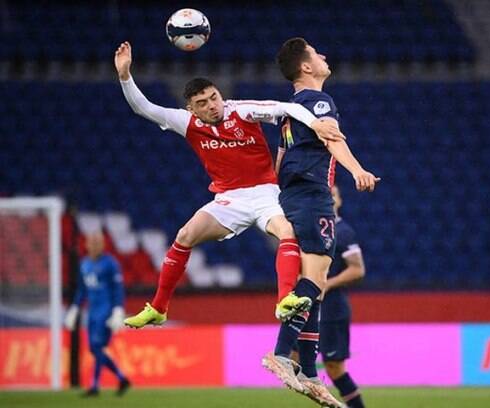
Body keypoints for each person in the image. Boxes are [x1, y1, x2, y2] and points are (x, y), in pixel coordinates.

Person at [111, 42, 344, 328]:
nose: (212, 105)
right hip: (228, 199)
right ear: (191, 109)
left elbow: (287, 108)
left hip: (265, 193)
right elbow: (143, 108)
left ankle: (285, 299)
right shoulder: (186, 123)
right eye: (203, 103)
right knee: (185, 234)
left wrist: (317, 124)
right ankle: (159, 308)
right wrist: (125, 75)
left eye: (214, 97)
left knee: (286, 231)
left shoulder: (241, 111)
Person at [262, 37, 379, 408]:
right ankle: (282, 353)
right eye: (317, 53)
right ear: (306, 67)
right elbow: (332, 139)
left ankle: (309, 372)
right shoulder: (319, 101)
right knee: (316, 280)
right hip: (314, 196)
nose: (324, 55)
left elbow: (279, 160)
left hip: (291, 197)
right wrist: (358, 170)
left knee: (310, 281)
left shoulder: (288, 111)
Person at [64, 232, 130, 397]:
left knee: (97, 346)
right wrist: (75, 308)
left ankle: (94, 386)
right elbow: (82, 290)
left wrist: (117, 309)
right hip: (92, 312)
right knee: (95, 349)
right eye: (91, 242)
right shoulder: (84, 264)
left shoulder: (110, 264)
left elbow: (118, 288)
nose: (94, 246)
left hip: (106, 311)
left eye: (97, 242)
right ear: (86, 245)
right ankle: (121, 378)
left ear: (102, 245)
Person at [320, 185, 366, 408]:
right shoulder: (307, 229)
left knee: (334, 367)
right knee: (295, 361)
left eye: (334, 195)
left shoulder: (343, 232)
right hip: (310, 306)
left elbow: (357, 269)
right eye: (324, 194)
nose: (329, 199)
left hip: (332, 309)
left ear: (339, 201)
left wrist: (327, 284)